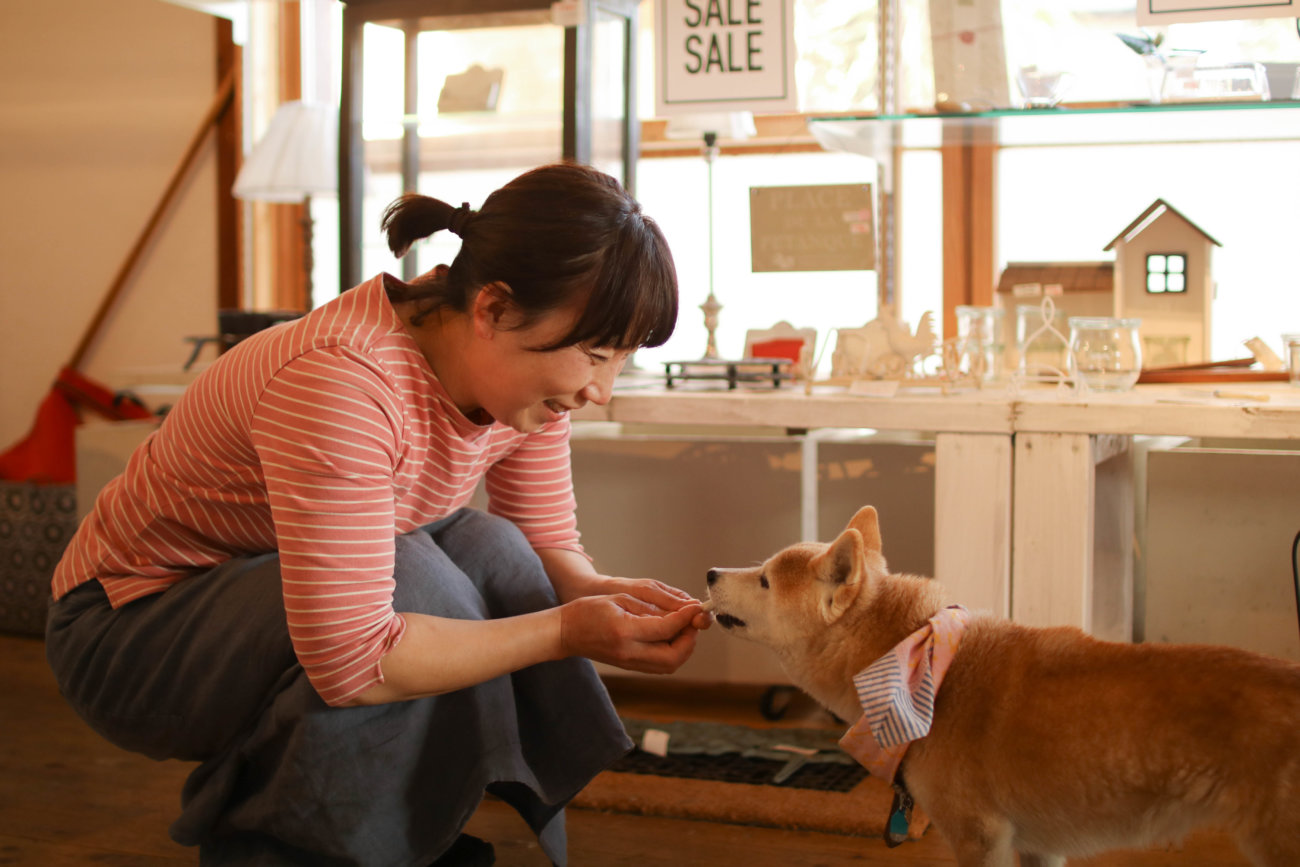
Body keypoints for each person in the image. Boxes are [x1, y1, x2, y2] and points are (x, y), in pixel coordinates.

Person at [45, 162, 711, 866]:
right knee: (416, 583)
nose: (600, 389)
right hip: (125, 629)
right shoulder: (341, 379)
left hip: (252, 602)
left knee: (493, 551)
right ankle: (286, 842)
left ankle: (407, 829)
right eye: (595, 353)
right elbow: (354, 661)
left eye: (622, 359)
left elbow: (542, 538)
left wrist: (595, 593)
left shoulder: (523, 376)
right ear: (491, 308)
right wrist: (564, 630)